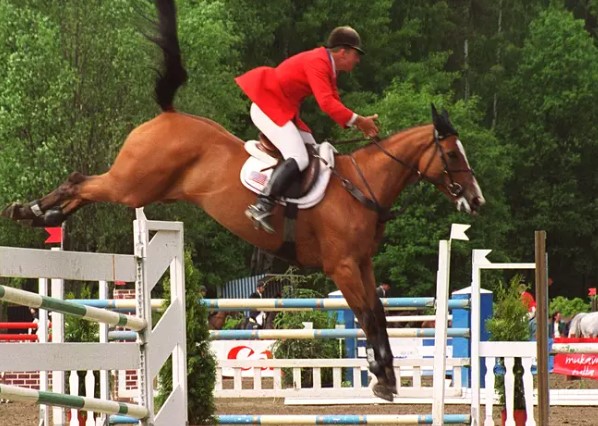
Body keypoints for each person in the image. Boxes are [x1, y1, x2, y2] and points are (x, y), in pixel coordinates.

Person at [235, 26, 379, 233]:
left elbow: (334, 100)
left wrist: (359, 122)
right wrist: (359, 121)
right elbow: (327, 103)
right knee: (300, 157)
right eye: (356, 55)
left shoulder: (328, 68)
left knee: (314, 151)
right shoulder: (318, 62)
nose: (358, 60)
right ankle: (262, 204)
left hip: (284, 110)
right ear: (343, 51)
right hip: (268, 106)